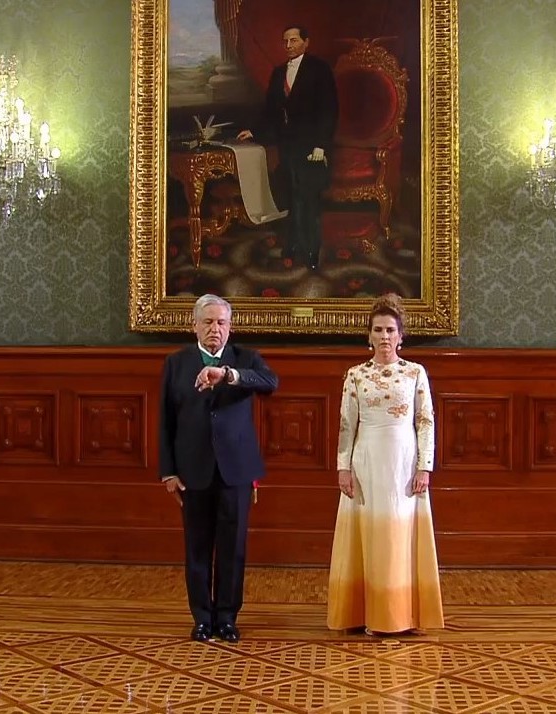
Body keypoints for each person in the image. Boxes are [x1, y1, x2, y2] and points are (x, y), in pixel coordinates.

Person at [160, 294, 279, 643]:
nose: (215, 329)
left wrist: (227, 375)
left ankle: (227, 617)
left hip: (236, 473)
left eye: (222, 323)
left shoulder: (245, 360)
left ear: (230, 327)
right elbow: (165, 421)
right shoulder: (176, 363)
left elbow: (271, 383)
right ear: (194, 325)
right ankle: (202, 618)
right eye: (208, 322)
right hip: (192, 471)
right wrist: (168, 472)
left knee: (232, 548)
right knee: (197, 547)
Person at [327, 293, 444, 635]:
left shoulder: (415, 373)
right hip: (366, 460)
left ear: (401, 335)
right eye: (377, 330)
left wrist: (425, 466)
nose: (383, 337)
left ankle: (398, 614)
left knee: (398, 534)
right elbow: (347, 424)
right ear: (368, 335)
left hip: (403, 462)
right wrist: (343, 467)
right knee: (367, 532)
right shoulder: (355, 376)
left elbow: (425, 421)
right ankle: (362, 612)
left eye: (390, 330)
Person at [236, 24, 338, 270]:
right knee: (292, 198)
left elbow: (329, 110)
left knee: (309, 200)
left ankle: (312, 251)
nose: (289, 45)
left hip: (312, 147)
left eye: (294, 40)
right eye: (286, 41)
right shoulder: (278, 72)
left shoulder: (320, 69)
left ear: (306, 42)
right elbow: (270, 110)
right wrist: (255, 131)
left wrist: (320, 146)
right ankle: (292, 246)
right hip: (288, 146)